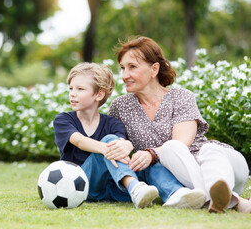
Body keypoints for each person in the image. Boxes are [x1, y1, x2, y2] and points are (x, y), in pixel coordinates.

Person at [108, 36, 251, 213]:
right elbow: (115, 140)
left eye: (132, 67)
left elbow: (182, 142)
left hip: (225, 165)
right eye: (122, 68)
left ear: (154, 69)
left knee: (195, 149)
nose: (124, 75)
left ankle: (225, 196)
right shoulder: (120, 106)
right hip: (186, 180)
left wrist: (151, 154)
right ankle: (231, 201)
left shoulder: (182, 96)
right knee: (169, 151)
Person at [53, 62, 206, 209]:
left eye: (80, 89)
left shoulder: (113, 123)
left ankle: (176, 193)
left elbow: (122, 143)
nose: (72, 94)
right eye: (71, 88)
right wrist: (108, 149)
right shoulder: (64, 120)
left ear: (99, 94)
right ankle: (135, 187)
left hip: (115, 186)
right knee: (110, 143)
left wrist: (128, 145)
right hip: (84, 184)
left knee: (146, 161)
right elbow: (79, 141)